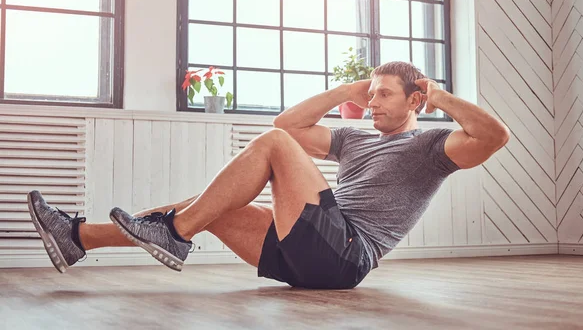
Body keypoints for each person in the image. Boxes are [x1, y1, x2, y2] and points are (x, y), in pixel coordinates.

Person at [27, 61, 510, 289]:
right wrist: (345, 87)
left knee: (269, 150)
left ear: (413, 100)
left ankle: (173, 234)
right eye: (371, 93)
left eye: (384, 94)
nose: (372, 102)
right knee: (208, 205)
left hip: (347, 254)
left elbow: (494, 137)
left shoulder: (429, 146)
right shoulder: (355, 139)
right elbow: (289, 124)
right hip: (309, 255)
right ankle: (79, 237)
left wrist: (440, 97)